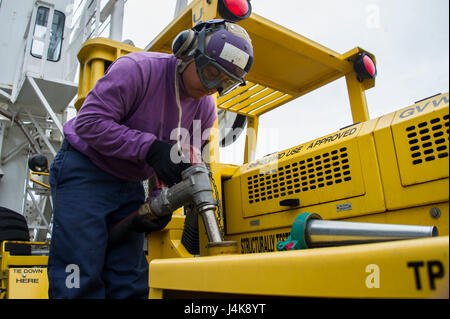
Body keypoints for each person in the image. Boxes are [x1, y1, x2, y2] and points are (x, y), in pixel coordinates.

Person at [47, 19, 254, 299]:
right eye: (209, 72)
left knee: (129, 280)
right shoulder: (137, 70)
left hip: (130, 182)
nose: (212, 87)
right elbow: (89, 123)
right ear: (187, 50)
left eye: (225, 82)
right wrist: (150, 148)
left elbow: (178, 165)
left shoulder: (206, 109)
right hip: (85, 169)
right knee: (79, 274)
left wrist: (159, 201)